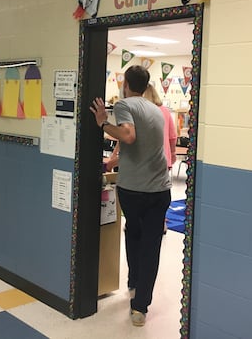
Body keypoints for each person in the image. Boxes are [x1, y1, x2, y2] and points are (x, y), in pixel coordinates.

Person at [90, 65, 171, 327]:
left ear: (126, 83)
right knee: (150, 244)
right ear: (146, 85)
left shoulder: (125, 104)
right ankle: (140, 306)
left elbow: (128, 135)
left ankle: (134, 284)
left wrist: (103, 122)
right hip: (160, 189)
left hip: (134, 190)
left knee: (133, 234)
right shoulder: (156, 110)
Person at [143, 84, 178, 170]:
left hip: (146, 160)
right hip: (164, 158)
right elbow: (172, 136)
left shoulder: (142, 111)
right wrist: (173, 153)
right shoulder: (165, 111)